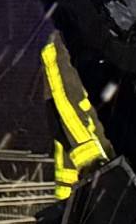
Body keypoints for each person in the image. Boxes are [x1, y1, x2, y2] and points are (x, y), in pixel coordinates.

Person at [40, 31, 113, 200]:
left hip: (105, 176)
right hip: (89, 181)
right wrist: (93, 162)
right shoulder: (63, 46)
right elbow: (65, 102)